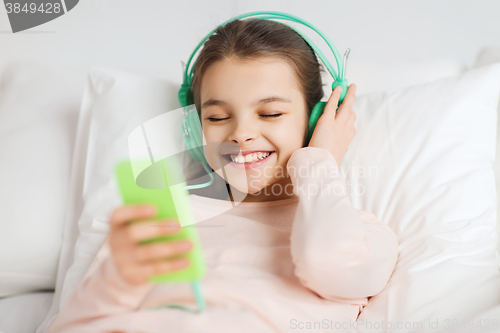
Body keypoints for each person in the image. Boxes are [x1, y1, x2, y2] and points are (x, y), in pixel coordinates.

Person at [46, 18, 399, 333]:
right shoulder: (162, 222)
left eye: (271, 113)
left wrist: (320, 160)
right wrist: (118, 279)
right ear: (194, 129)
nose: (241, 133)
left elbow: (330, 263)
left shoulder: (358, 235)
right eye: (217, 118)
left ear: (315, 121)